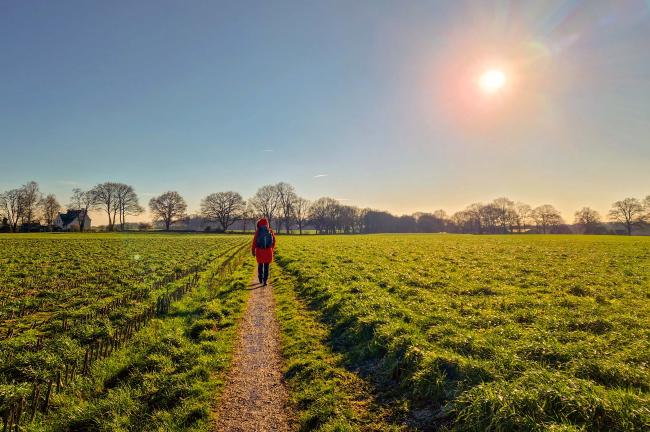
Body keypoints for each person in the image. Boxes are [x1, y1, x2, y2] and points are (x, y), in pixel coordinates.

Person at [251, 217, 276, 286]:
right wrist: (271, 249)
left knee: (260, 265)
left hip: (259, 250)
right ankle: (265, 281)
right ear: (267, 223)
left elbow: (254, 242)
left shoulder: (258, 231)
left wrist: (253, 250)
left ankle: (260, 279)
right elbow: (274, 241)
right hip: (268, 251)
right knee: (266, 266)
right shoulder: (270, 230)